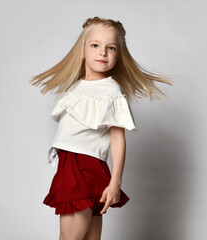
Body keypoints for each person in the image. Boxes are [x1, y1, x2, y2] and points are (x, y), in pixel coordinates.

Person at [29, 16, 173, 240]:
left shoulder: (111, 91)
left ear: (118, 55)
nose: (103, 52)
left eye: (111, 47)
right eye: (95, 45)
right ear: (83, 50)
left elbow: (118, 139)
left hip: (83, 168)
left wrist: (115, 182)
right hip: (74, 166)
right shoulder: (76, 87)